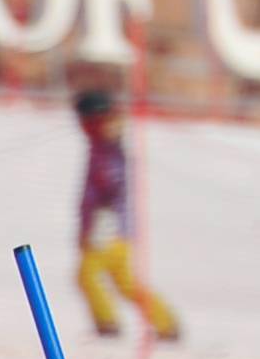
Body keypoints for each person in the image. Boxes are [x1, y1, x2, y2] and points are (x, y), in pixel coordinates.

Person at [73, 88, 181, 343]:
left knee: (87, 274)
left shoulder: (108, 148)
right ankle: (165, 322)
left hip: (109, 229)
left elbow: (114, 180)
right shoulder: (101, 145)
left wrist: (103, 214)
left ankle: (108, 322)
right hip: (112, 228)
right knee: (126, 283)